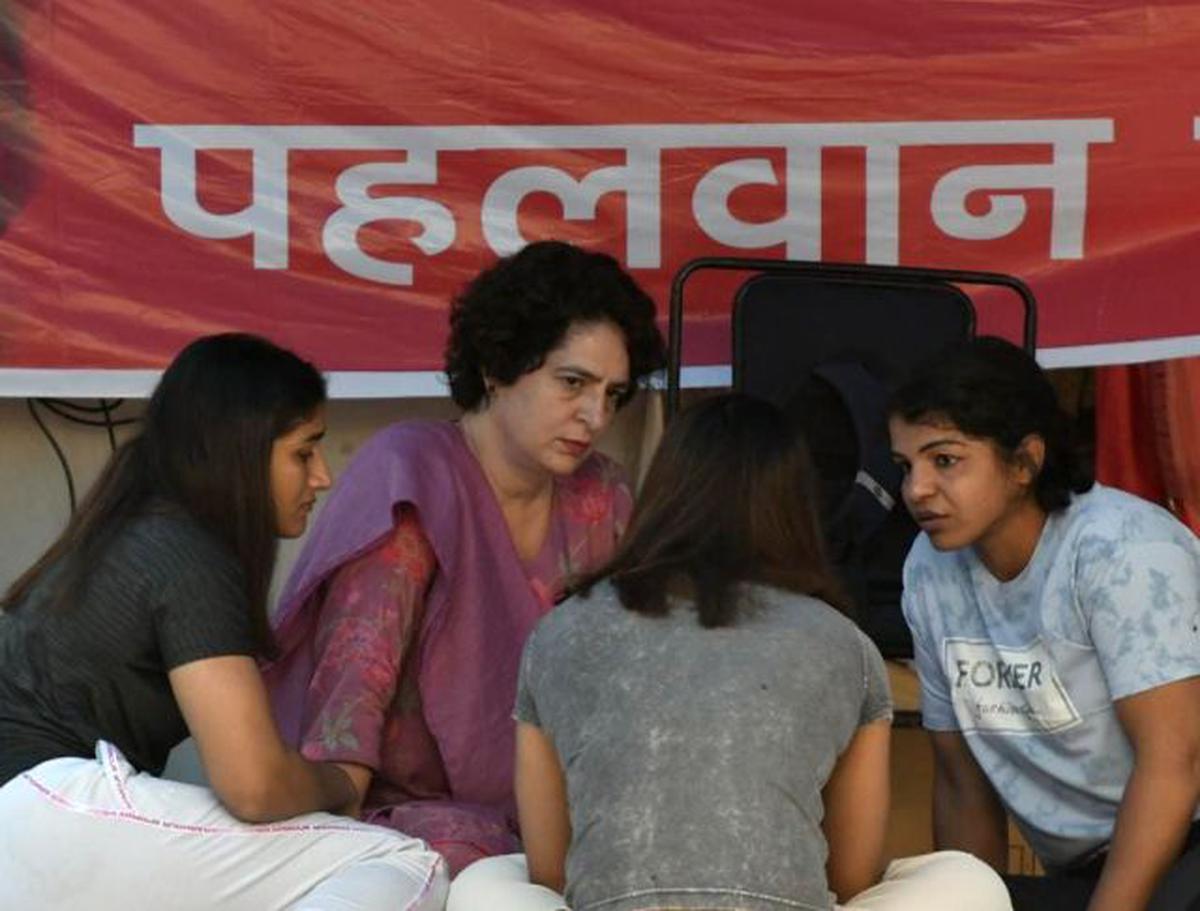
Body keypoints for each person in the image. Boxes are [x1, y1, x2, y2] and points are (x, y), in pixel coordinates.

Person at [449, 393, 1012, 911]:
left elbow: (551, 871)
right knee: (970, 882)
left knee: (486, 882)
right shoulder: (846, 647)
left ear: (663, 492)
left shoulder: (559, 634)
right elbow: (849, 879)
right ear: (795, 506)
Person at [0, 334, 448, 910]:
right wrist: (339, 780)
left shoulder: (132, 527)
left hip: (36, 819)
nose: (322, 477)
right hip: (42, 808)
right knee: (401, 860)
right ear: (241, 450)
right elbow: (253, 785)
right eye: (304, 451)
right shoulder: (186, 552)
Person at [265, 240, 667, 876]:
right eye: (573, 383)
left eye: (614, 395)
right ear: (497, 367)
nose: (594, 416)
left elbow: (627, 686)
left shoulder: (604, 493)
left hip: (561, 820)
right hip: (403, 826)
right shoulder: (412, 477)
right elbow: (349, 701)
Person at [887, 336, 1200, 911]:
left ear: (1024, 461)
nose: (917, 489)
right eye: (906, 466)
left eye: (945, 460)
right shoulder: (929, 570)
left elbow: (1175, 761)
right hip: (1086, 871)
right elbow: (962, 782)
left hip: (1184, 844)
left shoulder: (1121, 548)